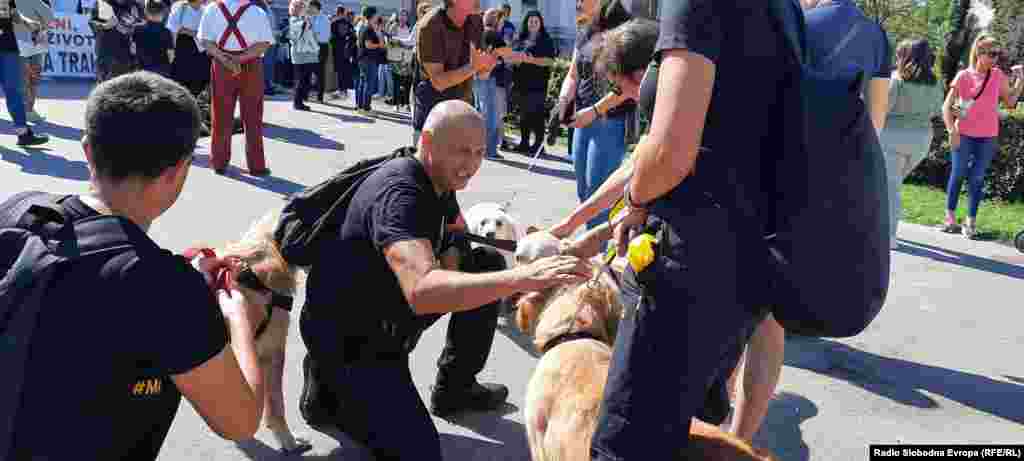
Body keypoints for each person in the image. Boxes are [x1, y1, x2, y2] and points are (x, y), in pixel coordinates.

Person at [297, 100, 591, 461]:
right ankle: (326, 387)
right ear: (428, 140)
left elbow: (455, 238)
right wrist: (522, 277)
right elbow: (422, 292)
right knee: (417, 451)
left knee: (485, 263)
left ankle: (455, 388)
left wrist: (464, 270)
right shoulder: (399, 195)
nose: (471, 164)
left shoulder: (439, 176)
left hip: (388, 311)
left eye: (480, 152)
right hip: (351, 336)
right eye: (462, 152)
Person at [7, 71, 265, 460]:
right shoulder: (164, 289)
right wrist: (237, 315)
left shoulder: (18, 210)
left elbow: (74, 284)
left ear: (87, 150)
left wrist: (180, 277)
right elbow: (241, 422)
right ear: (178, 171)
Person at [585, 0, 802, 457]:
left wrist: (636, 201)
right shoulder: (782, 10)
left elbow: (669, 151)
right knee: (679, 434)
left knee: (626, 444)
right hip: (748, 259)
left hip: (689, 263)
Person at [555, 0, 635, 230]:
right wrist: (564, 100)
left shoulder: (624, 29)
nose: (578, 2)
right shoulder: (584, 29)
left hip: (610, 121)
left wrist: (594, 111)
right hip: (583, 119)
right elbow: (572, 74)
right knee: (584, 193)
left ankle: (597, 259)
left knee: (597, 196)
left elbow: (628, 85)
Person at [941, 34, 1024, 238]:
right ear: (979, 53)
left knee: (977, 178)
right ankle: (950, 218)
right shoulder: (963, 76)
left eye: (997, 54)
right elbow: (946, 106)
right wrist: (951, 130)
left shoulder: (997, 76)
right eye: (992, 54)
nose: (995, 58)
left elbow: (1011, 102)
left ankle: (970, 221)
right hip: (963, 133)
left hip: (987, 136)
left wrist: (1021, 79)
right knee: (959, 173)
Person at [197, 0, 274, 176]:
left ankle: (219, 162)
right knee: (253, 116)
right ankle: (256, 166)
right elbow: (264, 44)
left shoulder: (211, 9)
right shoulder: (257, 11)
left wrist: (225, 60)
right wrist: (240, 59)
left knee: (221, 113)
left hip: (222, 63)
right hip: (251, 64)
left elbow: (205, 41)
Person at [881, 39, 945, 246]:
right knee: (892, 186)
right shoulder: (936, 82)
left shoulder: (896, 79)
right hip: (921, 140)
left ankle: (889, 234)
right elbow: (937, 110)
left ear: (904, 57)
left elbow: (884, 108)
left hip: (892, 138)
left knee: (890, 189)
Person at [412, 0, 497, 146]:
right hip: (433, 112)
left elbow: (481, 72)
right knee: (429, 166)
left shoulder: (475, 20)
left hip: (462, 106)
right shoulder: (430, 25)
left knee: (461, 166)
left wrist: (487, 66)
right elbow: (439, 82)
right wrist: (474, 67)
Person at [1, 0, 49, 145]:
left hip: (9, 47)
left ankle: (23, 133)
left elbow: (13, 14)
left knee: (14, 91)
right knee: (14, 91)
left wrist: (28, 23)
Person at [509, 10, 556, 154]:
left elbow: (549, 60)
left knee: (536, 114)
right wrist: (516, 60)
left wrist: (532, 60)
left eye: (536, 21)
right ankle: (524, 142)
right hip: (521, 82)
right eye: (531, 21)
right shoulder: (519, 39)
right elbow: (511, 56)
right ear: (526, 23)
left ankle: (538, 145)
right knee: (523, 114)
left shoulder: (546, 40)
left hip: (538, 84)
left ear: (540, 23)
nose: (533, 24)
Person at [473, 7, 506, 160]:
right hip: (488, 77)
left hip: (478, 77)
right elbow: (500, 56)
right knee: (491, 115)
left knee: (481, 113)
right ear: (496, 19)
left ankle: (480, 148)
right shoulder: (493, 34)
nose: (503, 23)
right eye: (501, 19)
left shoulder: (481, 32)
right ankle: (490, 150)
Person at [13, 0, 52, 123]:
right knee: (24, 79)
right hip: (19, 43)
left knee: (34, 79)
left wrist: (41, 31)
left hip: (38, 44)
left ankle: (29, 110)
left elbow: (49, 18)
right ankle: (24, 110)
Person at [90, 0, 144, 82]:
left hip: (132, 63)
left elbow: (144, 27)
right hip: (108, 62)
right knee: (108, 93)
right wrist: (103, 25)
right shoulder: (104, 3)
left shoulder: (135, 6)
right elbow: (94, 24)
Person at [167, 0, 210, 97]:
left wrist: (187, 31)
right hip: (182, 50)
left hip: (200, 52)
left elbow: (208, 34)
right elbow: (172, 31)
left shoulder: (206, 10)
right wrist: (172, 51)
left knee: (198, 84)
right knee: (180, 85)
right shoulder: (179, 8)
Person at [288, 0, 319, 111]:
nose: (304, 9)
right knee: (301, 80)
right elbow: (300, 32)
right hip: (300, 55)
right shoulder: (294, 20)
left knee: (305, 79)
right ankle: (297, 103)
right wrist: (306, 19)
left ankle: (300, 101)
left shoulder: (301, 19)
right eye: (302, 7)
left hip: (306, 54)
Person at [355, 7, 384, 115]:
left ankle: (361, 107)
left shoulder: (365, 27)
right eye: (376, 14)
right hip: (368, 60)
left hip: (363, 59)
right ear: (372, 16)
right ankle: (366, 108)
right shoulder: (368, 28)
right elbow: (368, 45)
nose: (378, 16)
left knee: (363, 83)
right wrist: (379, 45)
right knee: (369, 84)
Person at [133, 0, 174, 77]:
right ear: (163, 14)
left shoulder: (137, 28)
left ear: (146, 12)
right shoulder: (166, 32)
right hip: (162, 73)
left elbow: (133, 49)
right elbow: (171, 56)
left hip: (143, 71)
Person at [386, 8, 414, 111]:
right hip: (395, 58)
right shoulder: (393, 27)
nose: (402, 17)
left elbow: (411, 43)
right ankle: (396, 103)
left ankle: (406, 103)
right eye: (401, 15)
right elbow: (390, 41)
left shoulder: (410, 28)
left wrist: (403, 44)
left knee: (407, 82)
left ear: (407, 18)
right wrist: (401, 43)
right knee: (396, 82)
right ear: (398, 17)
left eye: (404, 15)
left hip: (406, 59)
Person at [329, 5, 355, 100]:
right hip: (347, 50)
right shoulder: (348, 23)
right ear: (343, 12)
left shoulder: (333, 23)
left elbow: (330, 37)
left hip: (337, 50)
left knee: (339, 71)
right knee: (346, 70)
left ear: (337, 12)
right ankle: (345, 90)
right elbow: (353, 36)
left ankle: (341, 90)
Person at [307, 0, 328, 103]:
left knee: (319, 73)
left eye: (310, 7)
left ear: (315, 7)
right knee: (310, 71)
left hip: (320, 46)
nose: (308, 9)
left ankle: (319, 97)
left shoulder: (323, 19)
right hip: (313, 46)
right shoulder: (312, 18)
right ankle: (311, 94)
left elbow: (317, 34)